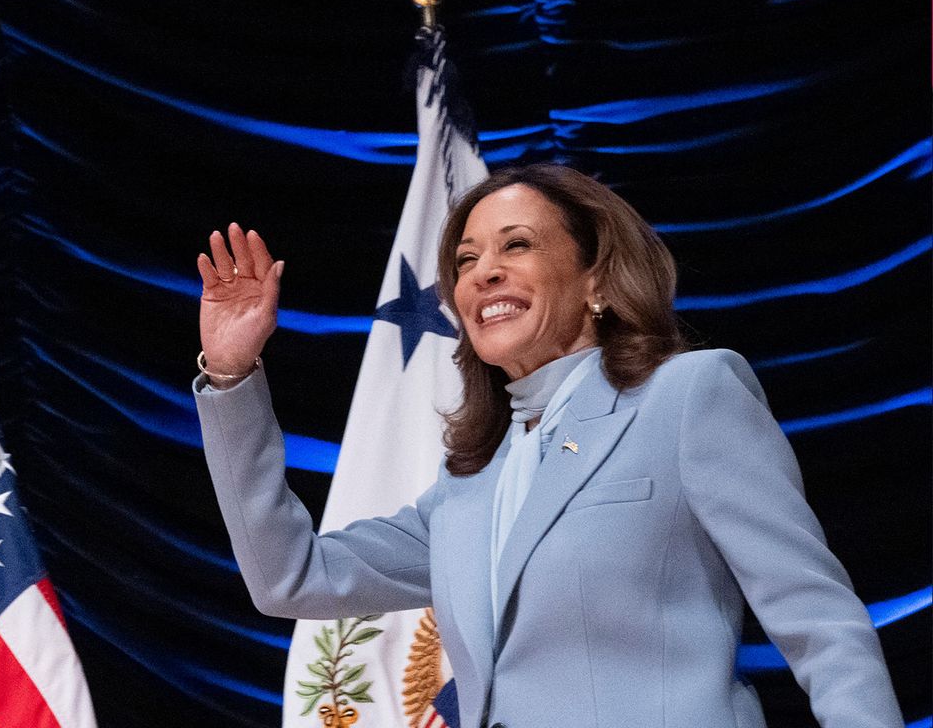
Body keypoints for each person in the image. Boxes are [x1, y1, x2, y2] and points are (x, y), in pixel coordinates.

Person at [192, 164, 902, 728]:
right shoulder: (468, 482)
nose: (483, 272)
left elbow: (819, 622)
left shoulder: (688, 397)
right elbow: (291, 577)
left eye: (517, 245)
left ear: (596, 279)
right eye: (466, 259)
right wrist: (230, 376)